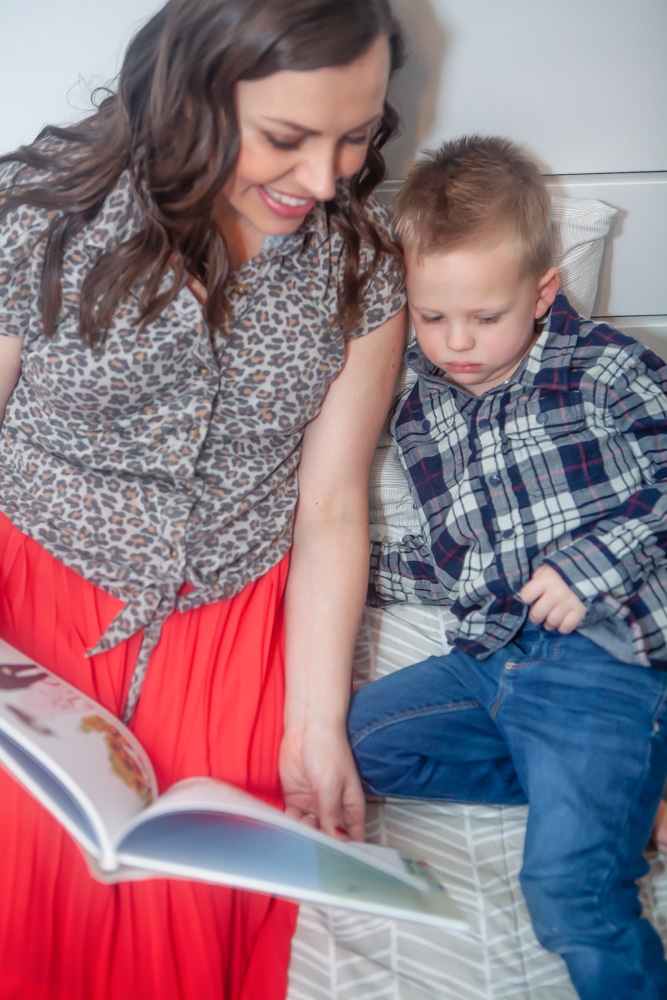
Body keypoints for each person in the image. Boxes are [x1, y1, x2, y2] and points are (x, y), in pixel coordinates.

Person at [0, 2, 407, 998]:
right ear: (191, 95)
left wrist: (318, 721)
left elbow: (330, 509)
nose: (324, 179)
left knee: (179, 896)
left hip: (228, 630)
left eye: (355, 136)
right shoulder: (41, 212)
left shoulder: (361, 267)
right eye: (286, 138)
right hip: (31, 605)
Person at [347, 136, 667, 1000]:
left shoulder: (601, 368)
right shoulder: (418, 404)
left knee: (565, 891)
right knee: (361, 744)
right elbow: (458, 558)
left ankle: (605, 792)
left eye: (483, 318)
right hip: (491, 661)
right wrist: (357, 571)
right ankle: (620, 791)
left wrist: (590, 564)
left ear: (542, 292)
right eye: (431, 316)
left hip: (596, 660)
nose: (456, 342)